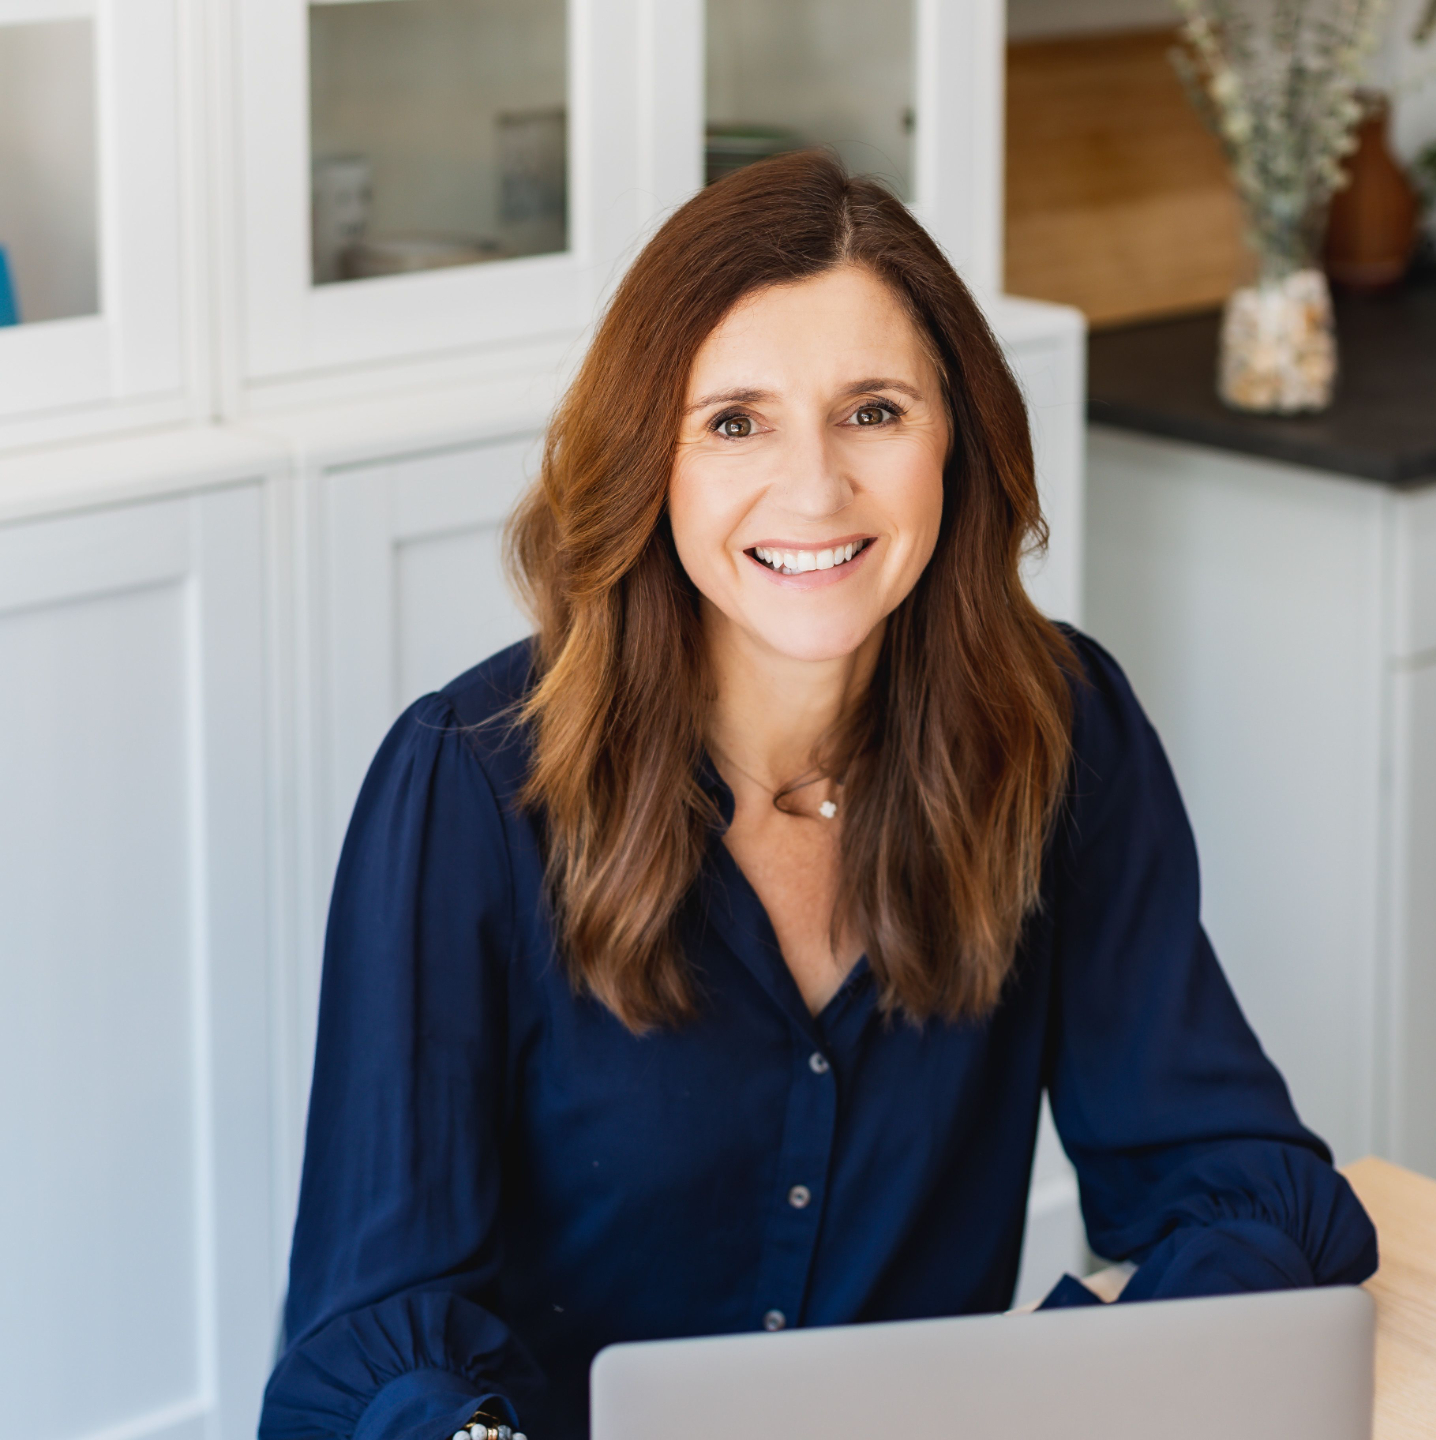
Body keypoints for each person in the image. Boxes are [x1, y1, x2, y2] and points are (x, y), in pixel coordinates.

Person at [259, 151, 1376, 1440]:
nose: (814, 489)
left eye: (874, 411)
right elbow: (366, 1349)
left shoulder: (1057, 734)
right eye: (736, 422)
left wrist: (1074, 1379)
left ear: (956, 439)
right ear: (652, 460)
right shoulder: (468, 785)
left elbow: (1244, 1187)